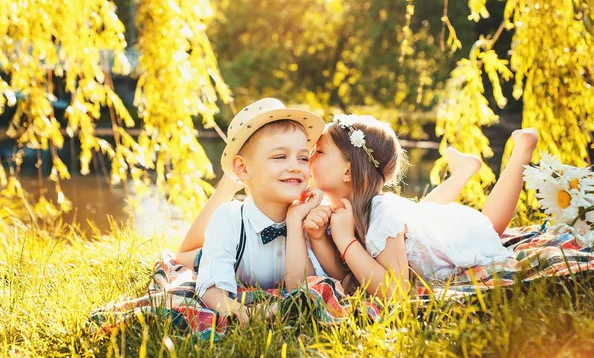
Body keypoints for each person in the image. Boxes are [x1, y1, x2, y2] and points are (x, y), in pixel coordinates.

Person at [304, 114, 538, 298]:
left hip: (451, 239)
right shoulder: (338, 208)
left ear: (347, 171)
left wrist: (346, 240)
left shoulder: (381, 215)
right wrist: (318, 237)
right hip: (421, 225)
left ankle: (522, 151)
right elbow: (345, 272)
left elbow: (394, 291)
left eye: (320, 152)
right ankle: (463, 172)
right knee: (423, 212)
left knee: (488, 226)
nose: (308, 157)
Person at [180, 98, 325, 324]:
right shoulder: (229, 219)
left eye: (303, 158)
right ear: (243, 167)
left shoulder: (312, 218)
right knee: (183, 257)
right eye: (280, 156)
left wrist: (296, 222)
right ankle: (227, 186)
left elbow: (303, 289)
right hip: (227, 250)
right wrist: (247, 314)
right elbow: (210, 290)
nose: (295, 166)